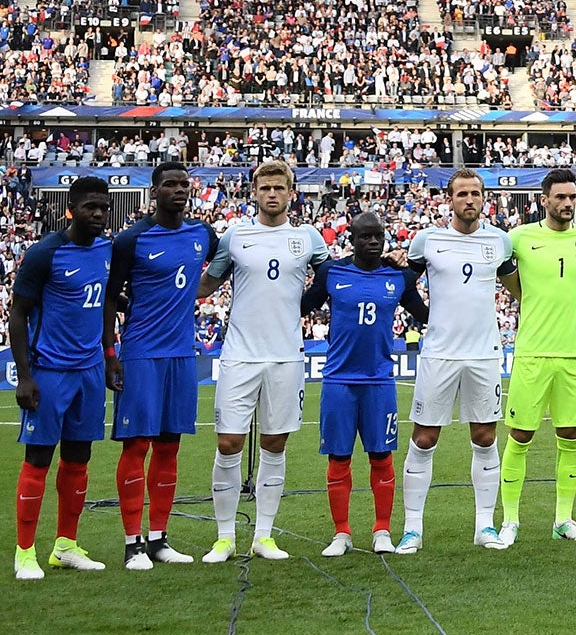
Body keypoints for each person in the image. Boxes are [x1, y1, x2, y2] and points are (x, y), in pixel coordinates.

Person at [200, 160, 330, 563]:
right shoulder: (235, 236)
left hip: (287, 356)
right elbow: (209, 282)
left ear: (292, 193)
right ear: (253, 192)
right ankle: (224, 538)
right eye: (264, 188)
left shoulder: (307, 238)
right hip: (239, 355)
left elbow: (331, 278)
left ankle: (263, 535)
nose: (272, 194)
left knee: (275, 445)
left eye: (279, 187)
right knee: (228, 443)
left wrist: (309, 304)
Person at [106, 161, 217, 569]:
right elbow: (108, 296)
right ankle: (132, 542)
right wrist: (110, 354)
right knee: (137, 446)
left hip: (182, 356)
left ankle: (158, 538)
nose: (178, 190)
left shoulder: (202, 234)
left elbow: (221, 266)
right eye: (169, 184)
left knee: (170, 446)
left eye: (184, 184)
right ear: (154, 191)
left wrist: (198, 294)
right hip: (140, 354)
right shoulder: (131, 240)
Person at [400, 167, 516, 554]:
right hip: (439, 354)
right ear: (449, 199)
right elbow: (405, 287)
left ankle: (485, 525)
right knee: (424, 437)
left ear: (484, 198)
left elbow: (518, 289)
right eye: (462, 194)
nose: (470, 200)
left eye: (476, 194)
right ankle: (412, 528)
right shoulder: (428, 240)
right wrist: (429, 317)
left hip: (484, 353)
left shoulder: (499, 242)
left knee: (485, 437)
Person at [304, 213, 424, 556]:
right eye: (365, 237)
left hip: (379, 382)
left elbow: (425, 312)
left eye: (378, 237)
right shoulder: (332, 273)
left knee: (381, 456)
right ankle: (341, 532)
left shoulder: (398, 277)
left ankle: (382, 530)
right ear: (351, 239)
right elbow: (302, 305)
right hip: (339, 381)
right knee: (339, 458)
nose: (373, 242)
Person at [11, 176, 112, 580]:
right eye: (90, 207)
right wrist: (24, 376)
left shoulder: (107, 250)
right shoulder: (45, 253)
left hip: (90, 371)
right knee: (38, 458)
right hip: (50, 372)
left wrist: (109, 355)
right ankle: (24, 552)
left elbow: (105, 304)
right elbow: (18, 315)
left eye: (104, 207)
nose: (98, 214)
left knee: (79, 458)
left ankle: (65, 545)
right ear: (72, 208)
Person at [501, 168, 576, 544]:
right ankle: (510, 519)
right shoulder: (519, 238)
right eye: (559, 197)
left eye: (571, 196)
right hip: (532, 352)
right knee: (521, 435)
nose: (567, 203)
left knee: (571, 436)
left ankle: (564, 519)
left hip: (575, 354)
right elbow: (497, 267)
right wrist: (518, 293)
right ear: (543, 200)